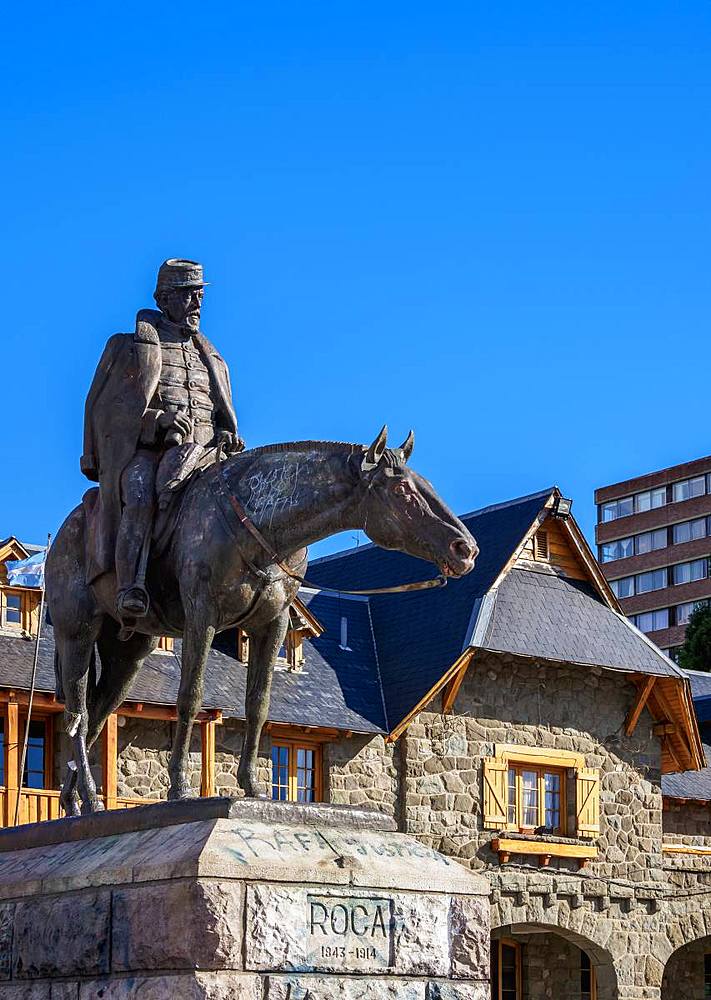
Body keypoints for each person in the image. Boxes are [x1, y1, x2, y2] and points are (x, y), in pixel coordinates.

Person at [81, 258, 243, 621]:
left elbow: (219, 412)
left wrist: (227, 433)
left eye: (199, 295)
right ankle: (130, 586)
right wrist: (158, 420)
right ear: (164, 299)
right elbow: (107, 412)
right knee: (139, 494)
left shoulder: (214, 358)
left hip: (206, 453)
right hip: (150, 451)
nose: (197, 304)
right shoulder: (128, 348)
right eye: (188, 295)